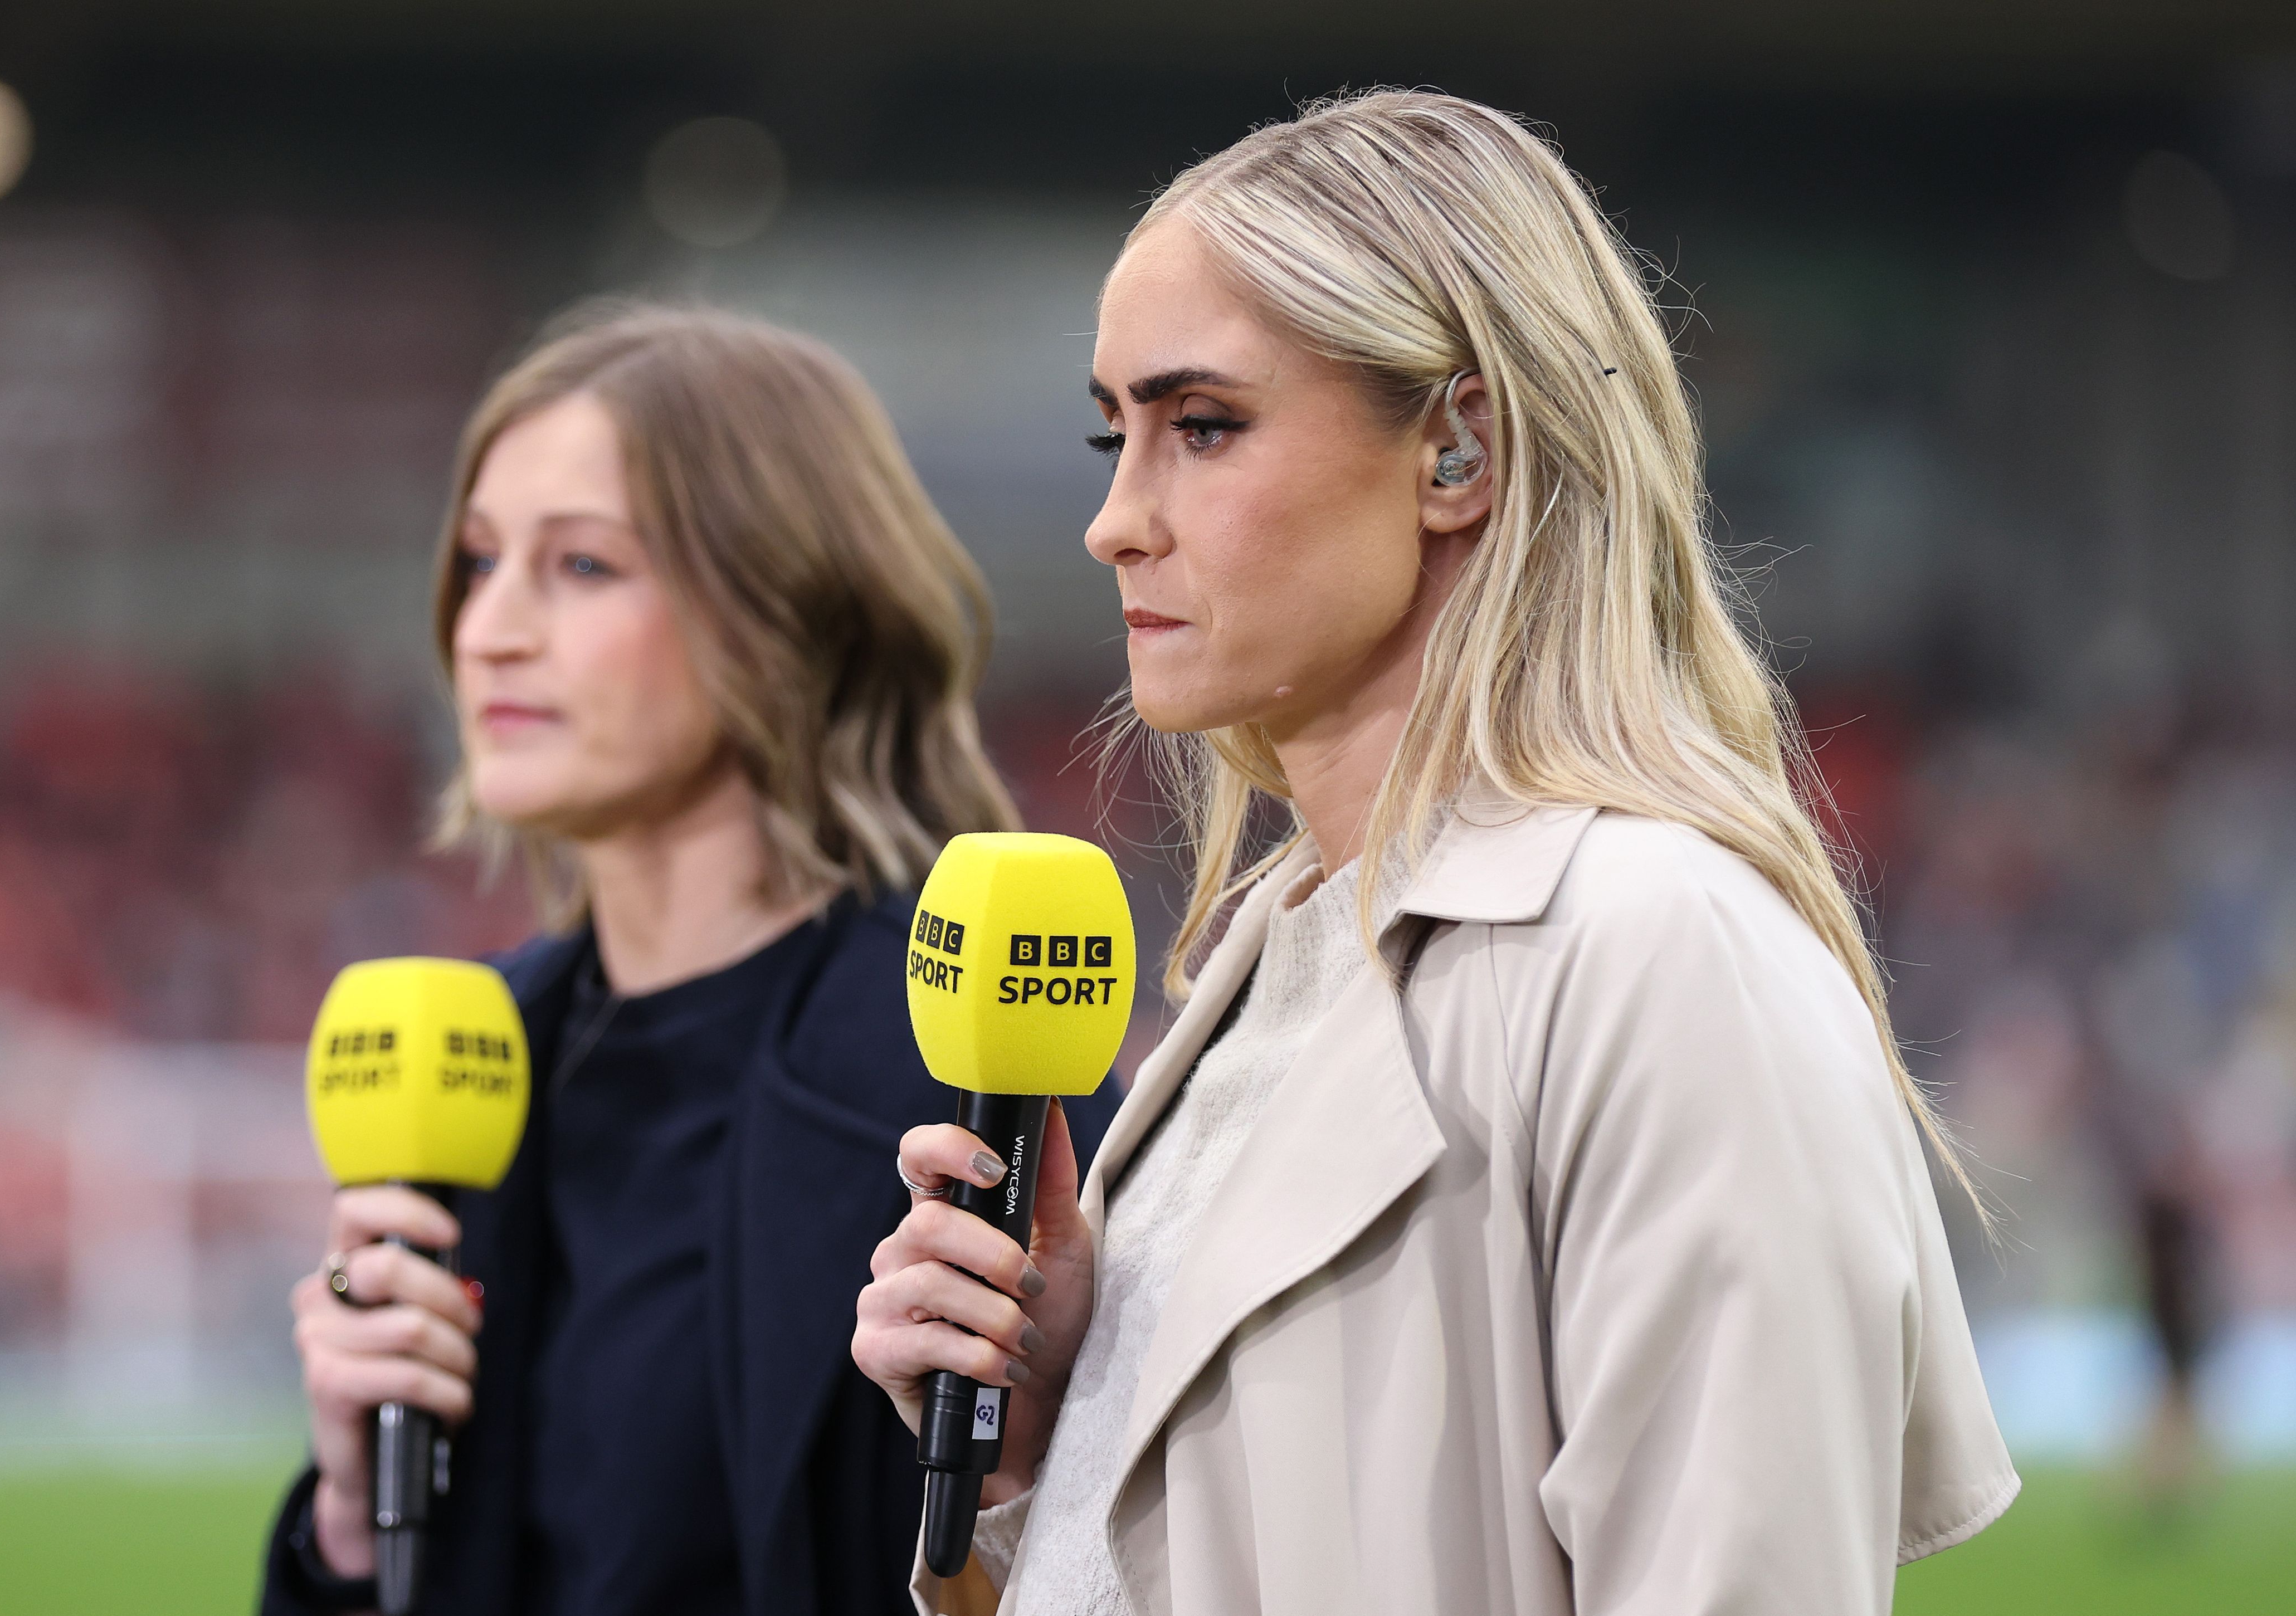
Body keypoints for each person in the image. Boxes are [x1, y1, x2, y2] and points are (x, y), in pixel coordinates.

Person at [854, 91, 2019, 1616]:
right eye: (1112, 432)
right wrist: (1043, 1442)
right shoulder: (1278, 950)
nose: (1113, 518)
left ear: (1457, 451)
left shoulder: (1659, 953)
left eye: (1198, 426)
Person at [260, 304, 1115, 1616]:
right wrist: (345, 1523)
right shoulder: (476, 1057)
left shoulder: (974, 1070)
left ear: (781, 606)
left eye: (583, 566)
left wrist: (1015, 1478)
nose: (488, 628)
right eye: (479, 562)